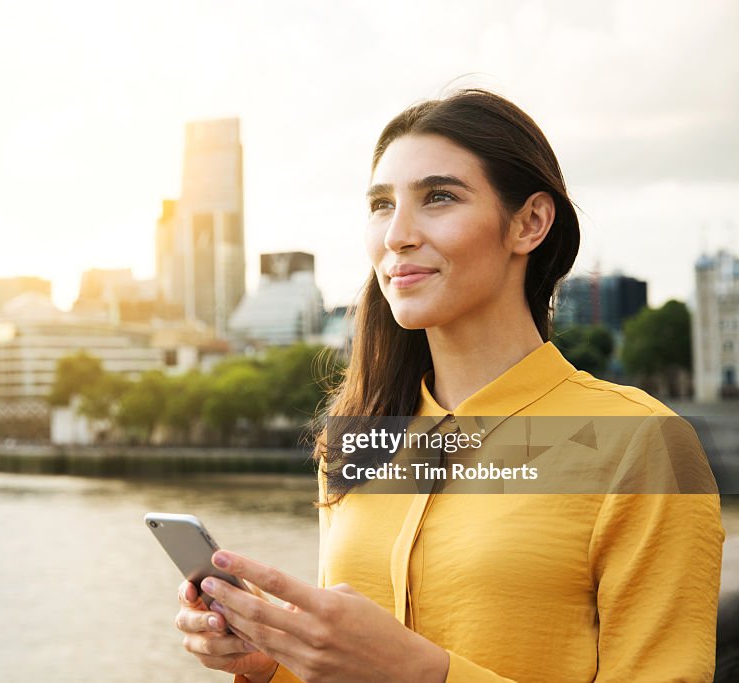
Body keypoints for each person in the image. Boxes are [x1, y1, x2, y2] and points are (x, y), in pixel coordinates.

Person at [174, 88, 724, 682]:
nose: (397, 235)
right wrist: (276, 666)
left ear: (530, 222)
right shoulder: (359, 439)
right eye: (382, 205)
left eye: (438, 197)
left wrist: (424, 673)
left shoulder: (641, 446)